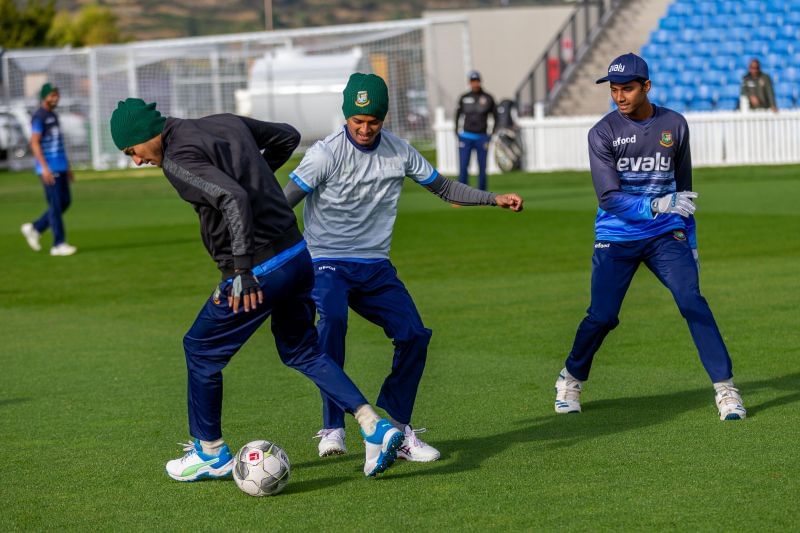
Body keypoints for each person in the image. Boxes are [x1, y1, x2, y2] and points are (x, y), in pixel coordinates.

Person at [109, 98, 406, 480]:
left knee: (200, 349)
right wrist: (256, 178)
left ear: (144, 136)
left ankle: (210, 452)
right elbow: (288, 137)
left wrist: (242, 270)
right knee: (302, 351)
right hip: (298, 256)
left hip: (259, 271)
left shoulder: (177, 159)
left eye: (133, 151)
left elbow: (232, 197)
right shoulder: (224, 121)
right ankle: (372, 425)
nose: (137, 160)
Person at [284, 73, 523, 461]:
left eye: (373, 122)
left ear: (385, 118)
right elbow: (284, 202)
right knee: (332, 322)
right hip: (326, 261)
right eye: (357, 121)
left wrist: (493, 198)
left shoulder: (400, 151)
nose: (364, 129)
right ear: (346, 117)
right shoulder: (324, 154)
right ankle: (332, 427)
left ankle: (394, 430)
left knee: (414, 334)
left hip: (375, 266)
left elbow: (444, 189)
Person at [553, 53, 746, 421]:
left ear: (646, 86)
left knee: (692, 301)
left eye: (627, 88)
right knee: (603, 316)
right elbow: (608, 197)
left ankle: (726, 390)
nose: (619, 96)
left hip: (664, 234)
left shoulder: (675, 123)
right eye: (614, 89)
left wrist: (691, 242)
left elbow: (685, 193)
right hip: (616, 235)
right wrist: (656, 204)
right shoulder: (602, 133)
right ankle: (571, 378)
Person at [20, 83, 77, 256]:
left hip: (60, 166)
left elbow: (58, 143)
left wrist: (67, 167)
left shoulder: (53, 115)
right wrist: (44, 168)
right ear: (44, 97)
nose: (55, 98)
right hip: (49, 168)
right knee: (55, 205)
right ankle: (58, 244)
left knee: (64, 202)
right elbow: (34, 143)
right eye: (52, 95)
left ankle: (35, 228)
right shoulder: (39, 117)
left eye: (56, 95)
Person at [455, 70, 497, 191]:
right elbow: (457, 115)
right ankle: (461, 195)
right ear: (469, 82)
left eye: (477, 81)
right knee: (463, 167)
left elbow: (496, 117)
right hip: (466, 137)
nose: (475, 84)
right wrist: (456, 132)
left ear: (480, 81)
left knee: (482, 168)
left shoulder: (488, 98)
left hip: (482, 137)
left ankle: (482, 195)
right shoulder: (464, 98)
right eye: (473, 81)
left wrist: (491, 134)